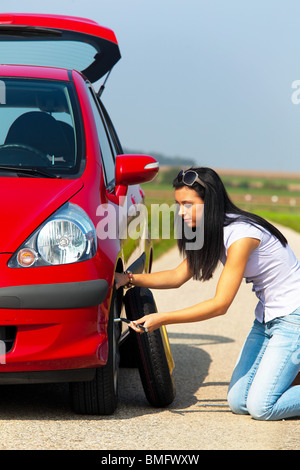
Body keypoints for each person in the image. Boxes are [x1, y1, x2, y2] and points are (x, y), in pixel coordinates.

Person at [115, 167, 300, 421]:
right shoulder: (211, 231)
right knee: (238, 402)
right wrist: (128, 279)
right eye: (179, 204)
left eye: (188, 204)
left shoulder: (242, 235)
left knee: (262, 407)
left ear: (210, 201)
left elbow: (220, 304)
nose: (181, 212)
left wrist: (162, 318)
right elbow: (178, 276)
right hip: (267, 319)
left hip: (293, 319)